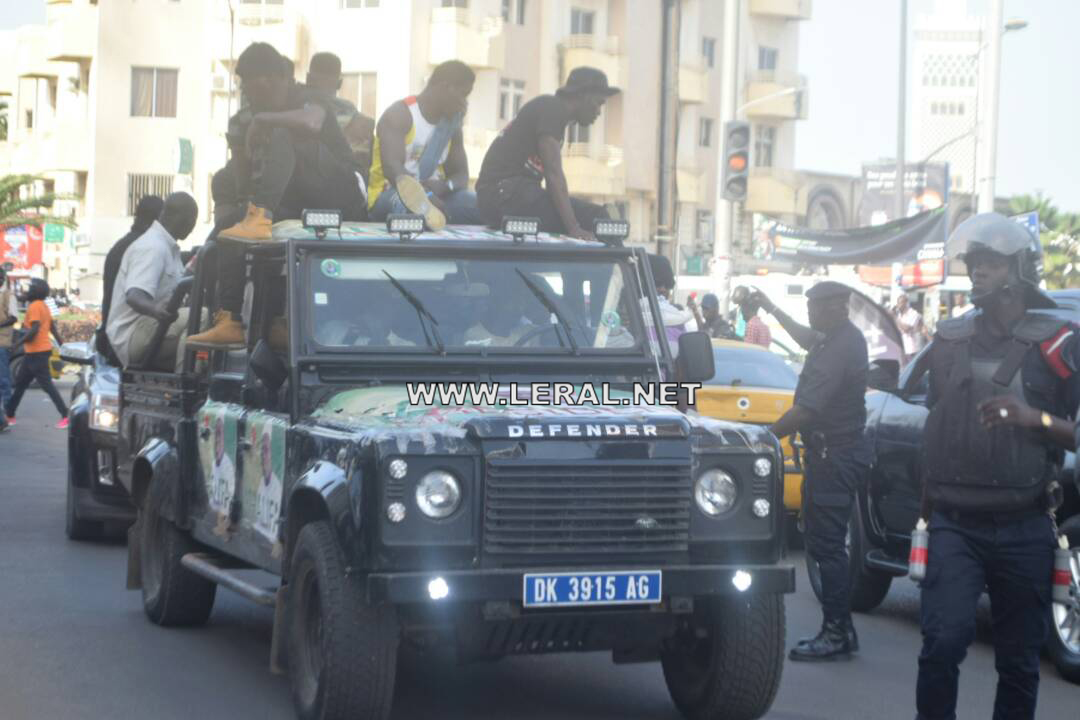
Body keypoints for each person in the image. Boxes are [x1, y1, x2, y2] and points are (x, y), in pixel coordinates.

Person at [914, 213, 1079, 720]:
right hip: (954, 520)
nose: (977, 271)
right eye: (973, 262)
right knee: (942, 642)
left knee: (1019, 661)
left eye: (990, 262)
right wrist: (924, 516)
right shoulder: (949, 339)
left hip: (1025, 523)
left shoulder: (1059, 342)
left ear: (1019, 269)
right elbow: (938, 425)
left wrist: (1035, 418)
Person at [753, 281, 871, 661]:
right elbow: (805, 337)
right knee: (823, 542)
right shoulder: (834, 338)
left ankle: (837, 631)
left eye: (815, 307)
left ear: (837, 307)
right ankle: (841, 630)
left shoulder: (841, 346)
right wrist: (772, 307)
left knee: (828, 546)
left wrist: (762, 437)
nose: (810, 313)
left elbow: (808, 409)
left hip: (836, 457)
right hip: (831, 455)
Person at [219, 42, 365, 242]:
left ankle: (260, 218)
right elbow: (243, 178)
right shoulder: (246, 117)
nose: (244, 90)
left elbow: (312, 122)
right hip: (297, 199)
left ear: (268, 80)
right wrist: (241, 208)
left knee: (283, 134)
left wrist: (263, 120)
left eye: (248, 83)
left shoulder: (308, 96)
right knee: (225, 231)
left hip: (343, 189)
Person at [476, 67, 616, 242]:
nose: (599, 112)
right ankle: (623, 258)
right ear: (583, 95)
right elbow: (554, 175)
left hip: (499, 197)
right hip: (506, 193)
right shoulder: (553, 109)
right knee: (597, 217)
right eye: (598, 103)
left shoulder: (551, 111)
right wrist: (574, 227)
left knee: (574, 214)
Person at [368, 60, 481, 229]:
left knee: (482, 208)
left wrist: (445, 186)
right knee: (417, 211)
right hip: (391, 192)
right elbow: (393, 170)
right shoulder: (400, 114)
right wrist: (425, 195)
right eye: (463, 94)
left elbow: (461, 174)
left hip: (436, 195)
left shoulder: (452, 124)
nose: (465, 103)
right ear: (445, 87)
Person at [105, 192, 198, 370]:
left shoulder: (169, 249)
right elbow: (134, 296)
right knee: (201, 316)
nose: (192, 226)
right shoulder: (153, 246)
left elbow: (171, 292)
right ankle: (185, 378)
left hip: (149, 329)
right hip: (133, 333)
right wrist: (156, 310)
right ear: (176, 216)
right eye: (191, 220)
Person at [96, 195, 165, 365]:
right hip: (126, 337)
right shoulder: (145, 247)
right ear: (158, 219)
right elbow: (135, 297)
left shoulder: (125, 245)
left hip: (113, 335)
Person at [4, 278, 68, 429]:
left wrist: (16, 344)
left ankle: (66, 415)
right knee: (20, 384)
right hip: (35, 352)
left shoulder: (34, 306)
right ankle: (9, 415)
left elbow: (34, 329)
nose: (28, 290)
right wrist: (62, 345)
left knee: (47, 386)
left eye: (31, 288)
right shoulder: (43, 306)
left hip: (37, 352)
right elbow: (52, 327)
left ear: (37, 291)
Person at [305, 51, 376, 185]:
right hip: (348, 189)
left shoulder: (295, 112)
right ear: (340, 83)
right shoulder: (360, 121)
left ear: (308, 78)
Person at [648, 254, 693, 355]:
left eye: (668, 285)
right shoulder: (631, 315)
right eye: (657, 283)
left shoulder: (678, 320)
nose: (663, 289)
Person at [0, 267, 20, 431]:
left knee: (4, 379)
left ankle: (8, 413)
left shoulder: (8, 295)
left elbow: (13, 318)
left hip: (2, 341)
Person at [893, 293, 928, 360]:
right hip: (903, 349)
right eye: (897, 303)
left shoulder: (913, 314)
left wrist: (895, 318)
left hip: (912, 350)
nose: (898, 305)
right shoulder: (899, 315)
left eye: (900, 303)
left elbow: (906, 329)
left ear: (905, 303)